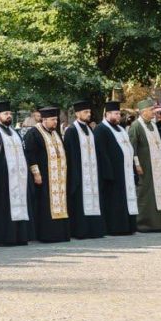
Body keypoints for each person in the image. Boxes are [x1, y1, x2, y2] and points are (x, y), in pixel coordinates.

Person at [0, 101, 31, 247]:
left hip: (18, 180)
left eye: (10, 114)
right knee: (2, 210)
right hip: (2, 181)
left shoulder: (15, 133)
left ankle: (18, 237)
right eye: (5, 114)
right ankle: (2, 238)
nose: (9, 116)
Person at [24, 107, 70, 243]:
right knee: (44, 205)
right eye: (52, 120)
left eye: (56, 119)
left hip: (58, 177)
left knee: (60, 204)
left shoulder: (56, 134)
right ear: (44, 120)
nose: (55, 122)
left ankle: (61, 234)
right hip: (44, 177)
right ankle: (47, 235)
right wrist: (36, 173)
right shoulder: (34, 133)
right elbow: (30, 154)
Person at [93, 101, 138, 235]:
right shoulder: (101, 129)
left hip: (125, 172)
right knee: (114, 201)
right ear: (107, 114)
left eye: (119, 114)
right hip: (112, 174)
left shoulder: (121, 129)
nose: (119, 116)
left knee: (125, 199)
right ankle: (116, 228)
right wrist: (108, 173)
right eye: (116, 114)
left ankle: (128, 226)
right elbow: (101, 153)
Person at [63, 101, 106, 239]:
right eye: (85, 112)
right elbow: (69, 155)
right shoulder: (71, 131)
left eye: (89, 112)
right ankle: (81, 231)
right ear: (77, 114)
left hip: (92, 174)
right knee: (79, 202)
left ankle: (94, 230)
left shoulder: (90, 130)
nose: (89, 114)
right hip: (79, 175)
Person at [129, 99, 161, 232]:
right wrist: (137, 165)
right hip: (144, 166)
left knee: (156, 193)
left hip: (156, 166)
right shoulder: (136, 126)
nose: (154, 112)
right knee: (145, 193)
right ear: (143, 111)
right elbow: (132, 148)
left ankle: (158, 223)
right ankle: (143, 223)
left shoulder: (153, 125)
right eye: (151, 110)